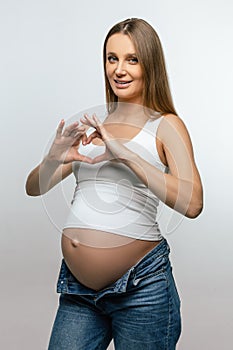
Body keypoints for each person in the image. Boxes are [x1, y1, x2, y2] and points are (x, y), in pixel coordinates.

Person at [26, 18, 203, 350]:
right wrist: (53, 158)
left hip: (142, 290)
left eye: (132, 59)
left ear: (150, 63)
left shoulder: (166, 125)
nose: (119, 70)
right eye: (112, 58)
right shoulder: (98, 124)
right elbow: (34, 187)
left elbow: (193, 204)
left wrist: (127, 156)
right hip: (79, 291)